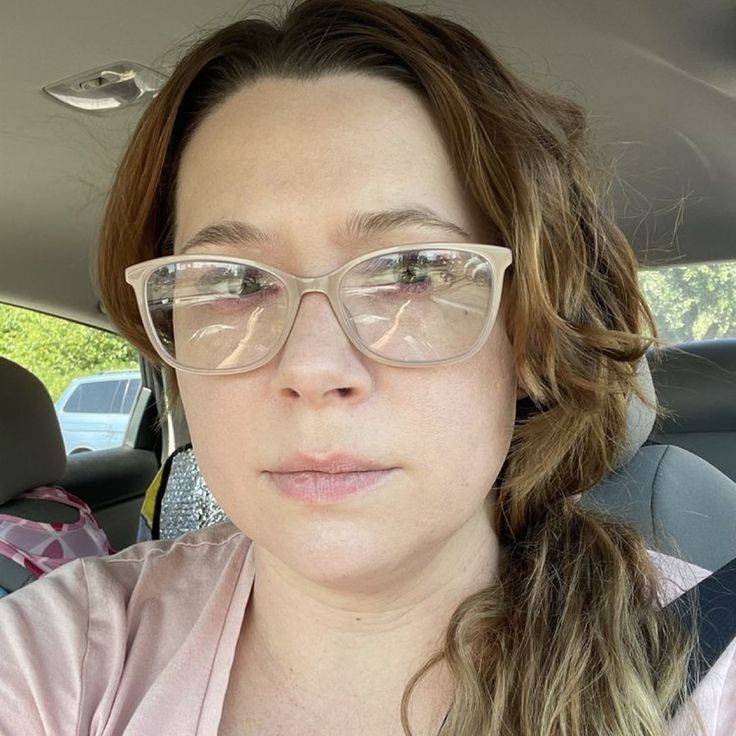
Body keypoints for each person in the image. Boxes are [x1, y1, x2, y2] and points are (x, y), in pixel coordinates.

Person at [0, 1, 733, 734]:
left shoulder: (705, 665)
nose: (313, 368)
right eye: (231, 282)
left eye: (412, 272)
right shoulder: (63, 655)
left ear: (528, 333)